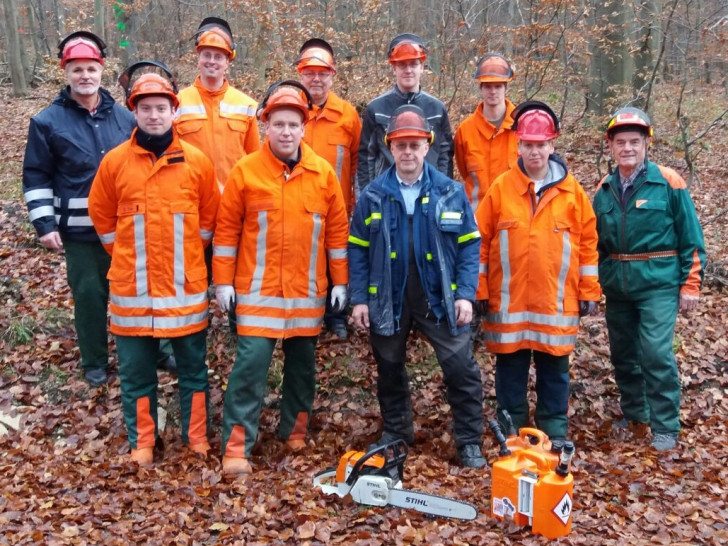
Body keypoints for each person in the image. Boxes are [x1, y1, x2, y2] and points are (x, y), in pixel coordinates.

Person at [22, 31, 174, 387]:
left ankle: (159, 348)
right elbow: (36, 175)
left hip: (128, 227)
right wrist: (45, 224)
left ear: (102, 70)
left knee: (143, 290)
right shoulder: (46, 122)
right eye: (77, 70)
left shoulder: (125, 118)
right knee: (90, 294)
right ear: (66, 72)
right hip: (80, 231)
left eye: (91, 68)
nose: (85, 76)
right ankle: (94, 360)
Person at [213, 81, 349, 476]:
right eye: (278, 124)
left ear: (304, 128)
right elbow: (226, 233)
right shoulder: (246, 172)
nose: (286, 131)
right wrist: (223, 282)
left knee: (303, 368)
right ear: (265, 126)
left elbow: (337, 234)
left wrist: (340, 282)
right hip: (256, 295)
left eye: (293, 124)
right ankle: (237, 447)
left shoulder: (323, 174)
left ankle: (295, 432)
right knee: (250, 369)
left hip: (308, 296)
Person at [88, 63, 220, 464]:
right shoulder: (114, 163)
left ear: (174, 111)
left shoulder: (197, 163)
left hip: (185, 291)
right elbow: (103, 219)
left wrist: (183, 261)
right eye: (145, 108)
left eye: (161, 107)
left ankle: (196, 438)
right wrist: (129, 257)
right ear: (135, 112)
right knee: (136, 376)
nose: (154, 115)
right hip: (133, 293)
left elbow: (209, 222)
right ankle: (143, 442)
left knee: (194, 372)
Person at [348, 104, 486, 468]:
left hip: (439, 293)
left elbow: (470, 245)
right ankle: (397, 433)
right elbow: (358, 251)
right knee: (389, 365)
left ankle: (469, 440)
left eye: (415, 145)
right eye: (400, 145)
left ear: (428, 146)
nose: (407, 152)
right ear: (390, 148)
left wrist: (466, 294)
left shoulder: (450, 192)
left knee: (460, 366)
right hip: (388, 295)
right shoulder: (373, 195)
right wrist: (359, 299)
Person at [474, 101, 600, 441]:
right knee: (510, 371)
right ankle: (513, 430)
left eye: (541, 144)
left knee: (555, 371)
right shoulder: (501, 188)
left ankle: (553, 430)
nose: (535, 152)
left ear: (552, 144)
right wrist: (479, 289)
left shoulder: (573, 193)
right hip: (508, 303)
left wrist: (589, 290)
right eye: (528, 145)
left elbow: (588, 244)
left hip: (554, 305)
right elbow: (479, 242)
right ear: (518, 144)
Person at [593, 107, 705, 452]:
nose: (627, 148)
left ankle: (665, 425)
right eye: (621, 142)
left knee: (655, 353)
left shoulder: (668, 182)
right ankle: (635, 414)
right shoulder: (604, 188)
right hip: (618, 285)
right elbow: (592, 243)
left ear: (647, 144)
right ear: (611, 145)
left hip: (658, 282)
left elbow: (691, 236)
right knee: (623, 354)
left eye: (635, 142)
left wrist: (691, 284)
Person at [295, 37, 361, 340]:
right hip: (297, 205)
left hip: (337, 206)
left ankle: (336, 315)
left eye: (323, 73)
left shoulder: (347, 115)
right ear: (300, 73)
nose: (316, 79)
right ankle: (305, 312)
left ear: (333, 75)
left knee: (337, 259)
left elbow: (360, 160)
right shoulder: (289, 111)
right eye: (309, 72)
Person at [357, 33, 453, 191]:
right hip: (387, 194)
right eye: (402, 65)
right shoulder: (376, 109)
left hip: (429, 193)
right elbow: (366, 158)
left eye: (413, 64)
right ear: (394, 67)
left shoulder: (437, 109)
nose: (408, 70)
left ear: (422, 67)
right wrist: (368, 196)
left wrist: (444, 193)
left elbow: (445, 156)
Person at [176, 17, 259, 191]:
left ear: (227, 62)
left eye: (218, 56)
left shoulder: (247, 106)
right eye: (206, 55)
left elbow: (255, 160)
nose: (212, 61)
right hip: (191, 200)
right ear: (198, 58)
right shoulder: (177, 102)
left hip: (233, 201)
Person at [454, 53, 519, 210]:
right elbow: (464, 172)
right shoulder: (465, 130)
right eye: (488, 86)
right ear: (481, 88)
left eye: (498, 86)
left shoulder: (522, 126)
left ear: (506, 88)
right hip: (476, 216)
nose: (493, 91)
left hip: (514, 213)